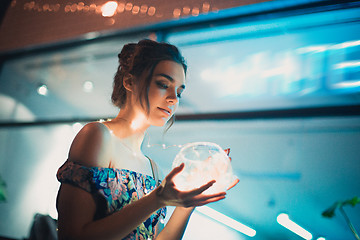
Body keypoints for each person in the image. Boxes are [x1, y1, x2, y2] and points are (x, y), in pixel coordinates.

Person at [56, 39, 238, 240]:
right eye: (163, 84)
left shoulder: (152, 169)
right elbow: (72, 236)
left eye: (179, 92)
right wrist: (157, 199)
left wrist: (188, 203)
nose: (173, 99)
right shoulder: (97, 136)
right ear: (129, 82)